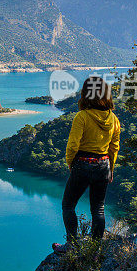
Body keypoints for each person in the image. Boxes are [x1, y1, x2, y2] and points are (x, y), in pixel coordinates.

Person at [52, 75, 120, 254]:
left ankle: (72, 246)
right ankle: (94, 250)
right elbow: (114, 147)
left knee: (68, 205)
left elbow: (73, 145)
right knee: (98, 208)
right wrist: (111, 169)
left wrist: (70, 164)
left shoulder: (82, 116)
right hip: (103, 164)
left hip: (82, 164)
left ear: (86, 94)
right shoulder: (114, 119)